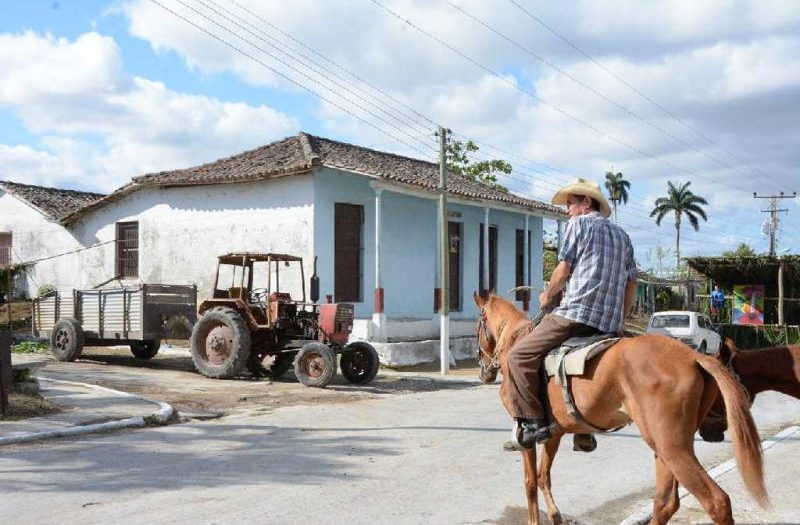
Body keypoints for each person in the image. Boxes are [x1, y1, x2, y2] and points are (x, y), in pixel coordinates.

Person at [504, 178, 638, 449]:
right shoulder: (623, 236)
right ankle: (583, 429)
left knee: (518, 357)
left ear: (586, 202)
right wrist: (619, 320)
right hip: (608, 324)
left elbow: (563, 269)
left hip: (575, 314)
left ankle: (533, 425)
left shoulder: (579, 224)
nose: (567, 210)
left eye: (570, 203)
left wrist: (547, 295)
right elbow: (631, 283)